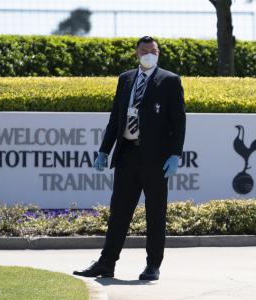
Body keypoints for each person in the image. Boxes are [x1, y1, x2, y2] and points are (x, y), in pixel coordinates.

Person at [73, 36, 186, 281]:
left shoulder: (169, 81)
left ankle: (153, 265)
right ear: (136, 54)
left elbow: (179, 121)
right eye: (144, 51)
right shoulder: (125, 79)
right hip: (127, 155)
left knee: (155, 213)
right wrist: (104, 150)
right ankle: (106, 263)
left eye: (153, 51)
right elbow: (116, 118)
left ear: (158, 54)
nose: (149, 55)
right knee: (119, 212)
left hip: (156, 160)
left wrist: (175, 154)